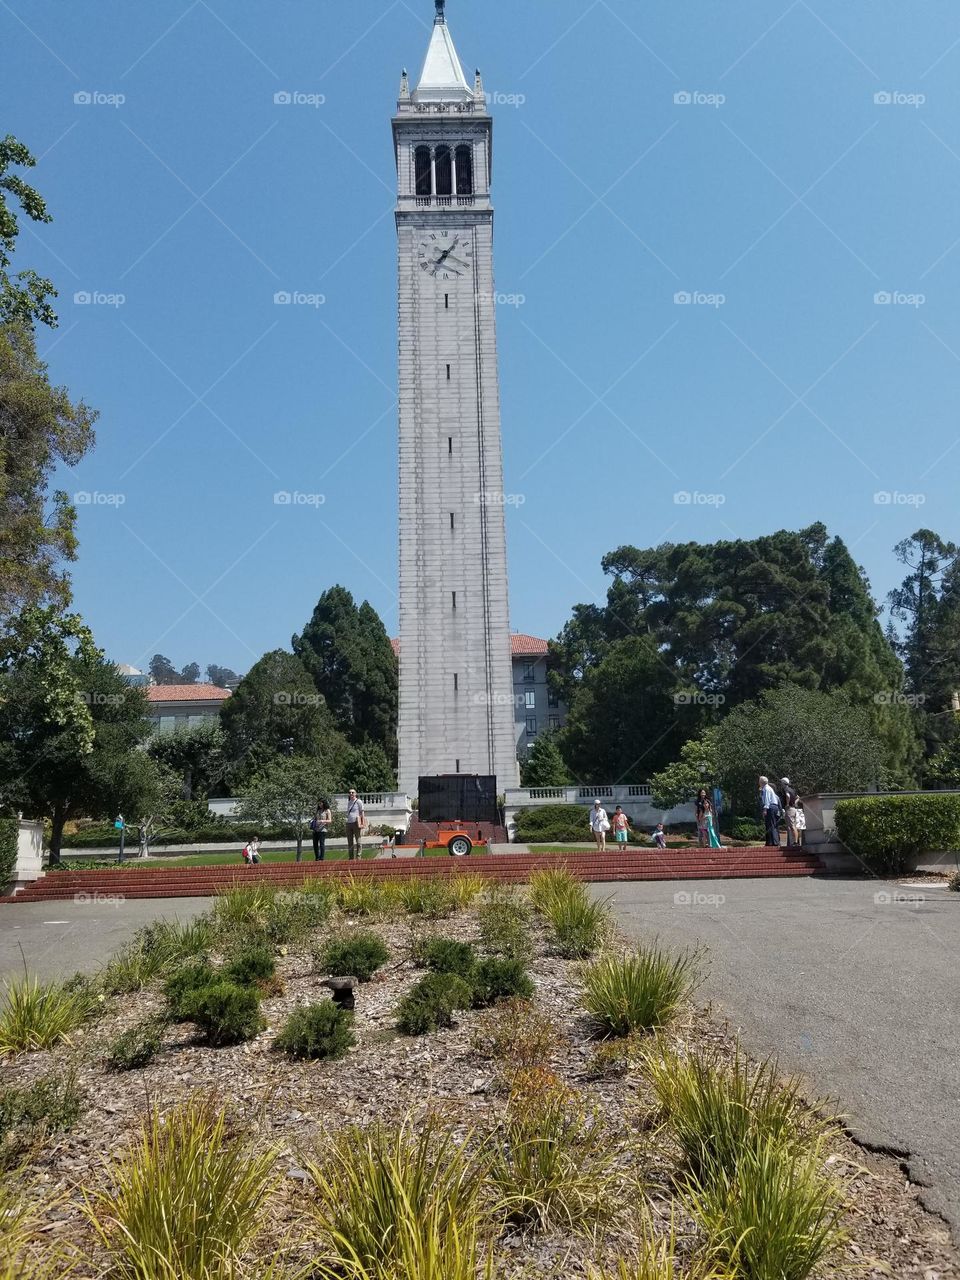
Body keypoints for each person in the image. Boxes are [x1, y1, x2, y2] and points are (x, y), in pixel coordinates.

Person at [758, 776, 781, 847]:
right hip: (774, 807)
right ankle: (770, 842)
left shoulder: (766, 789)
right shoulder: (769, 788)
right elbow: (777, 798)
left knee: (771, 824)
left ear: (761, 782)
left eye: (759, 781)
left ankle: (773, 842)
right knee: (770, 824)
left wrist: (765, 809)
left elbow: (767, 800)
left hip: (770, 807)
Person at [345, 789, 365, 861]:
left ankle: (358, 857)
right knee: (350, 842)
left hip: (356, 823)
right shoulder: (349, 802)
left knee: (358, 841)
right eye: (350, 792)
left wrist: (362, 823)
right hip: (349, 823)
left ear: (355, 794)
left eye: (352, 792)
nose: (351, 794)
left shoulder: (358, 801)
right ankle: (351, 858)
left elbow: (362, 812)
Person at [779, 777, 799, 848]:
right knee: (792, 825)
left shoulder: (786, 789)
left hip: (789, 809)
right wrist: (794, 804)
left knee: (792, 826)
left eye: (781, 782)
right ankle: (793, 842)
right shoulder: (792, 790)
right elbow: (798, 797)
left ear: (784, 783)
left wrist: (787, 804)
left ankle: (795, 842)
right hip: (793, 808)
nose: (780, 784)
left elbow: (787, 796)